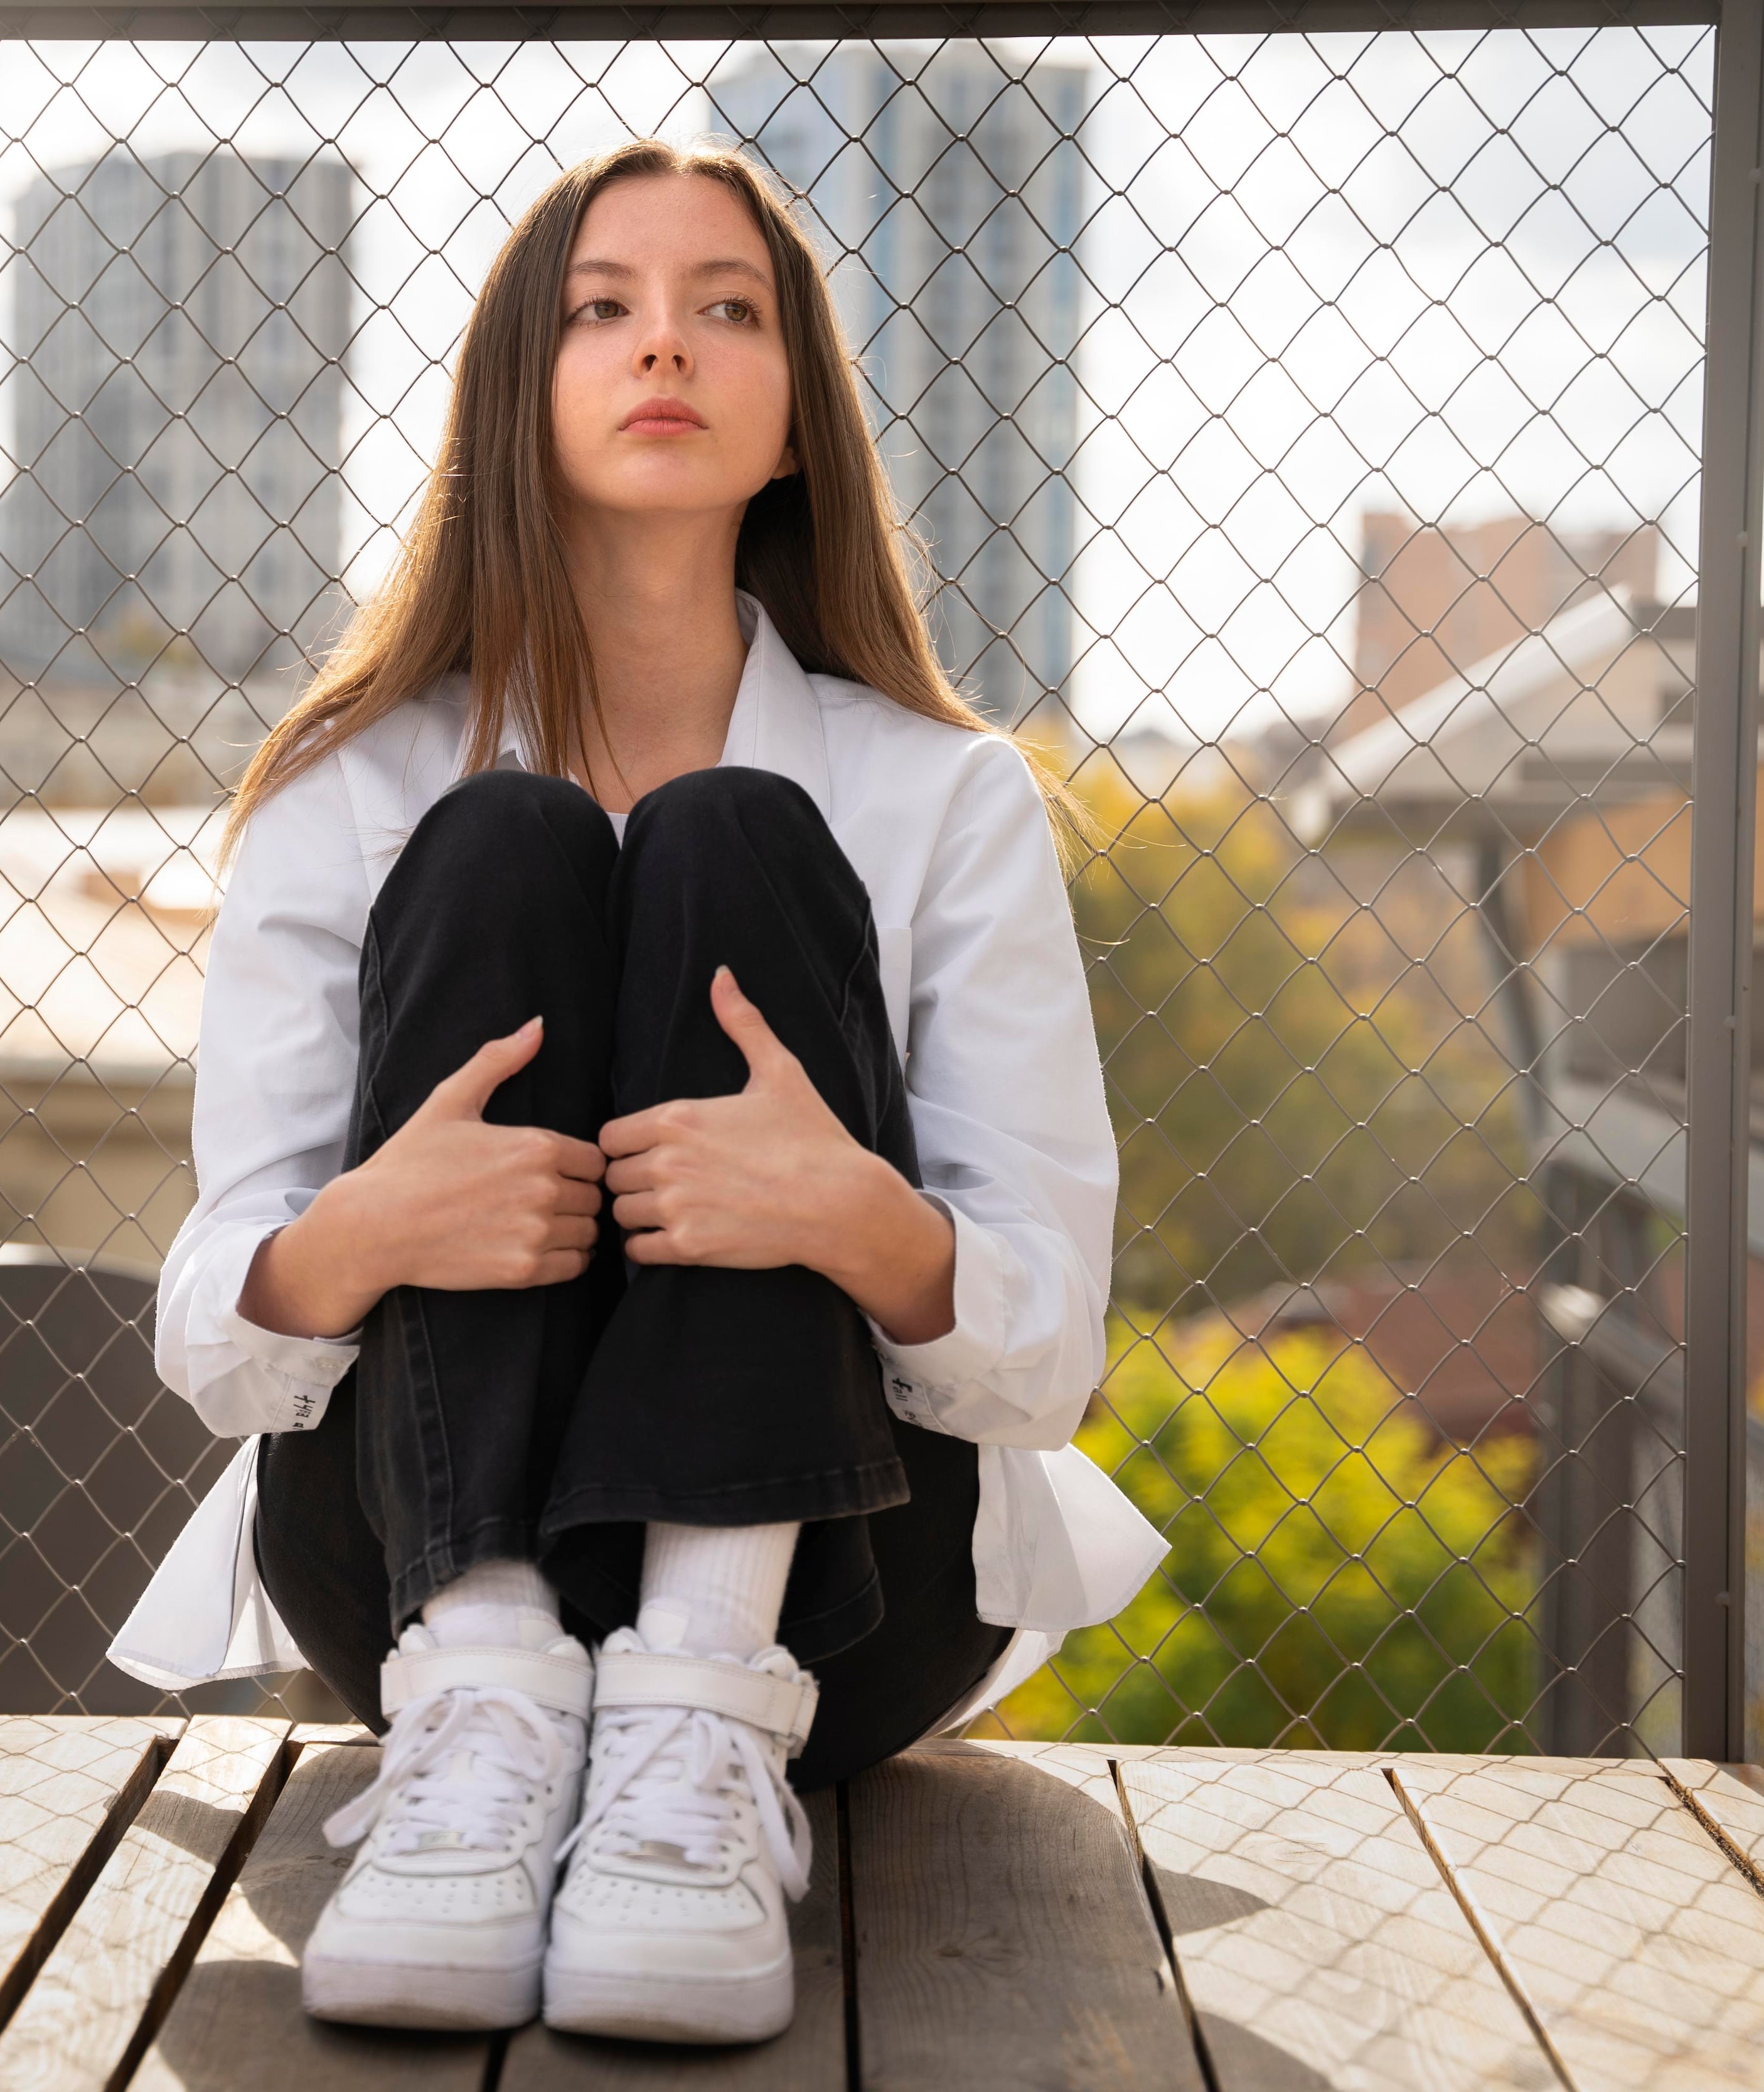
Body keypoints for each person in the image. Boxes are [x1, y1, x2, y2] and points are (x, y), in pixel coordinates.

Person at [107, 138, 1163, 2047]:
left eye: (725, 309)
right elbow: (216, 1327)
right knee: (503, 836)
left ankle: (694, 1716)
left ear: (793, 422)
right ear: (522, 387)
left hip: (839, 1602)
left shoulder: (945, 795)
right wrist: (357, 1238)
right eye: (602, 308)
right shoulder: (346, 786)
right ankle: (499, 1702)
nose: (662, 343)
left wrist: (855, 1217)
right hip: (417, 1588)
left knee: (735, 840)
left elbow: (1051, 1359)